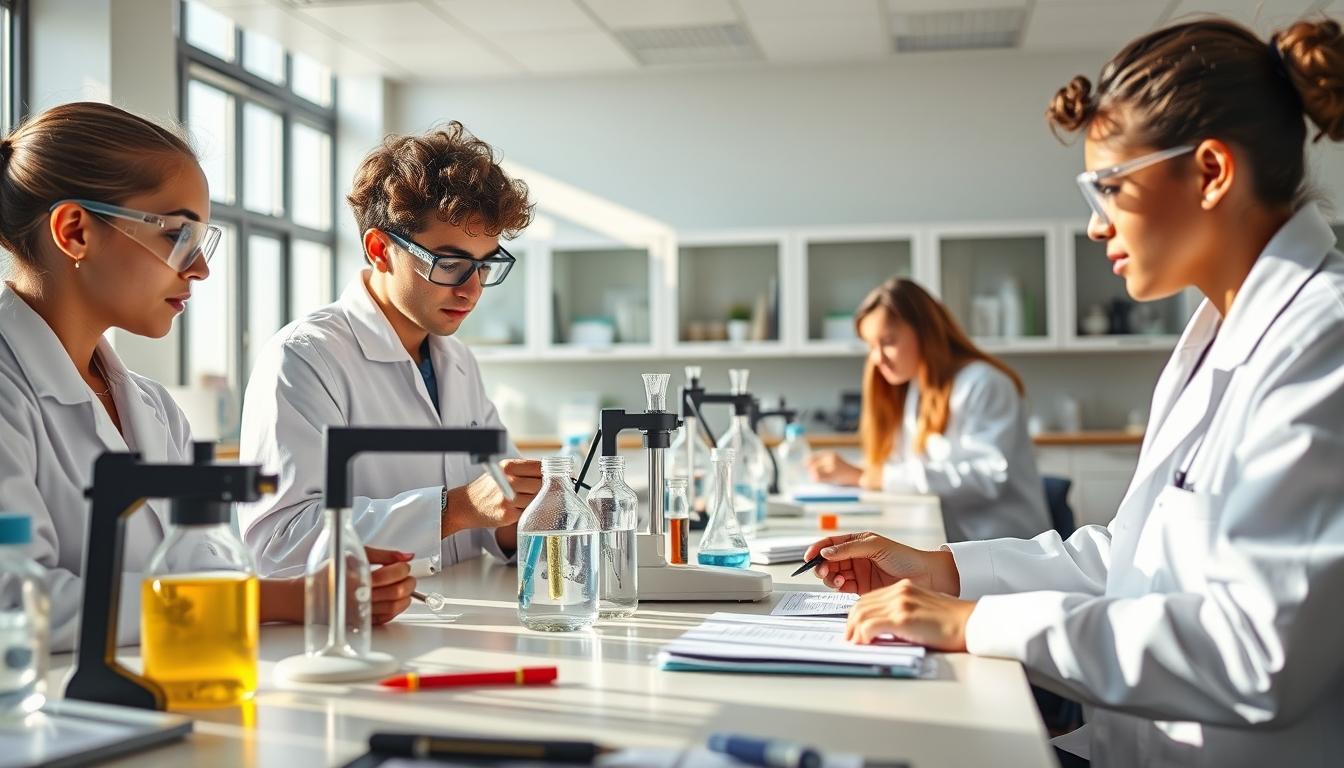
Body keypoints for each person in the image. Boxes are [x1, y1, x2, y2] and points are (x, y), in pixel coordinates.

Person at [805, 17, 1344, 767]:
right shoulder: (1219, 336)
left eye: (1110, 189)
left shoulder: (1324, 343)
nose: (1095, 227)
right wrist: (946, 570)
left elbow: (1256, 653)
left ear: (1212, 171)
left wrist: (974, 623)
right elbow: (1130, 559)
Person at [0, 103, 417, 652]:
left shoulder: (150, 406)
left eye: (201, 240)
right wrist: (284, 600)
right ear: (76, 231)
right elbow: (18, 605)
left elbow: (197, 572)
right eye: (177, 235)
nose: (200, 268)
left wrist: (307, 588)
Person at [239, 123, 539, 577]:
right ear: (380, 249)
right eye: (451, 264)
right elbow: (281, 543)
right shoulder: (304, 358)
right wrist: (453, 509)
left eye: (484, 265)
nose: (472, 290)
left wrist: (532, 512)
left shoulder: (456, 361)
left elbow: (493, 514)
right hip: (362, 633)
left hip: (461, 614)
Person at [807, 278, 1049, 541]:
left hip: (1003, 549)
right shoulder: (917, 388)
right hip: (951, 542)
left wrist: (868, 477)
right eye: (870, 347)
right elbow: (907, 465)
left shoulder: (984, 384)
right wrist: (854, 471)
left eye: (887, 341)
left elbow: (986, 477)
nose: (877, 359)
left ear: (925, 331)